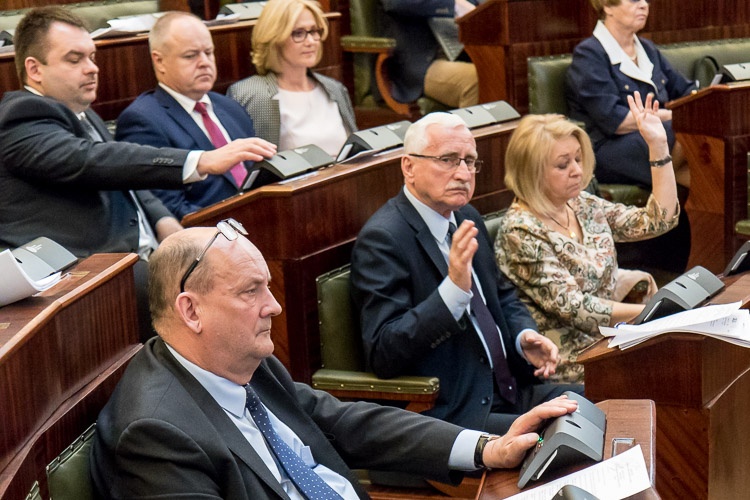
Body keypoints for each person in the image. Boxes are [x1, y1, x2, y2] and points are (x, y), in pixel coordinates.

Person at [90, 223, 579, 498]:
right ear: (191, 310)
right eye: (250, 291)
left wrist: (487, 448)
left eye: (267, 287)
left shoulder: (244, 364)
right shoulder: (154, 432)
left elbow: (345, 422)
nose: (274, 306)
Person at [0, 6, 271, 338]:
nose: (92, 68)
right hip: (84, 272)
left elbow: (121, 177)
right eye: (75, 59)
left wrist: (164, 221)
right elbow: (91, 160)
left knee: (240, 276)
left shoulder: (82, 114)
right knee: (222, 299)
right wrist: (198, 161)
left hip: (135, 256)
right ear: (34, 69)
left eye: (92, 57)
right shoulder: (21, 116)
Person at [350, 112, 583, 435]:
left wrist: (523, 337)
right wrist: (453, 293)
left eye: (469, 161)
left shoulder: (465, 215)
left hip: (513, 391)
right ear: (409, 167)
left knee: (608, 402)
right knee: (566, 434)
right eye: (448, 160)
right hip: (457, 411)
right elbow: (384, 352)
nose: (462, 173)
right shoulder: (383, 239)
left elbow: (503, 295)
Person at [495, 92, 679, 383]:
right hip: (569, 365)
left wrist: (658, 146)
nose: (577, 171)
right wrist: (654, 314)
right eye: (563, 164)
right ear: (531, 172)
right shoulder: (520, 230)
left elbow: (658, 220)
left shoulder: (581, 203)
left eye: (578, 159)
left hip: (611, 341)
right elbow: (576, 309)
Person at [565, 0, 694, 274]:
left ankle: (711, 213)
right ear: (608, 7)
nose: (644, 5)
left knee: (701, 145)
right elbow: (615, 120)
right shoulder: (589, 54)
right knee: (690, 134)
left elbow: (685, 92)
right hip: (609, 149)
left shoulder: (647, 49)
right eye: (634, 0)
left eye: (645, 0)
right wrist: (674, 116)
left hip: (654, 138)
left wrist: (693, 106)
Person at [116, 11, 277, 220]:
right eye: (191, 56)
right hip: (213, 232)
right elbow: (167, 209)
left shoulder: (229, 106)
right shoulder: (142, 120)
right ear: (159, 61)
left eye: (208, 52)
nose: (204, 62)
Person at [227, 0, 356, 157]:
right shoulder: (253, 95)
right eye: (298, 33)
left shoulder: (334, 88)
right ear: (274, 38)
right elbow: (249, 165)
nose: (310, 42)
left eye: (314, 31)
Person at [375, 0, 479, 109]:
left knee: (489, 72)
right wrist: (453, 4)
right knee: (477, 79)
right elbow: (396, 3)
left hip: (461, 53)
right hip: (419, 63)